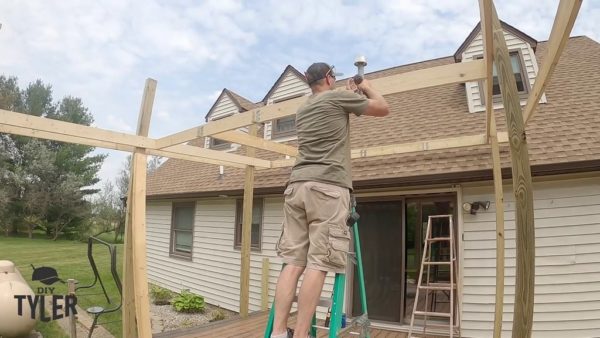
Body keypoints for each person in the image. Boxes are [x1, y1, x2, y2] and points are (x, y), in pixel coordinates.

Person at [270, 62, 390, 338]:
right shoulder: (337, 97)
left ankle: (278, 332)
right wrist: (366, 88)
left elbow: (335, 112)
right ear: (327, 77)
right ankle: (300, 335)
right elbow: (383, 108)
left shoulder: (303, 109)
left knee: (293, 262)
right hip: (327, 188)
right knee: (319, 263)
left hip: (296, 187)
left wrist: (352, 96)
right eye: (334, 76)